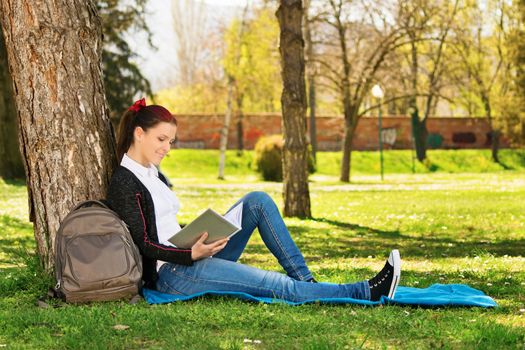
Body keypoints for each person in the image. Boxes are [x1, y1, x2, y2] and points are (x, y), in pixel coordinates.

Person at [107, 98, 401, 303]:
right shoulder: (125, 180)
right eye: (161, 140)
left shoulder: (151, 173)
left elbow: (165, 224)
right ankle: (367, 292)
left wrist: (199, 236)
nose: (167, 148)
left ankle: (308, 284)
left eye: (170, 141)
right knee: (273, 285)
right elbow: (144, 244)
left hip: (190, 255)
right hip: (173, 275)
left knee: (257, 201)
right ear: (139, 133)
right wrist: (190, 254)